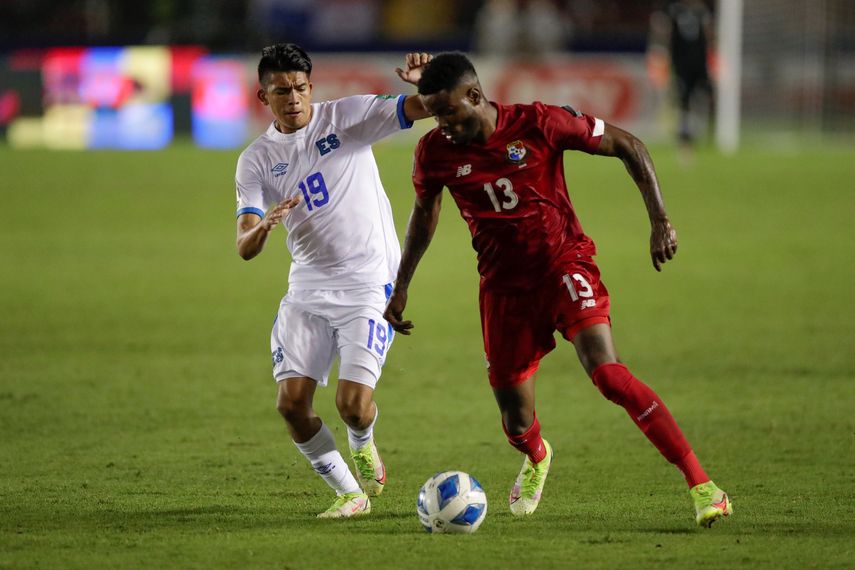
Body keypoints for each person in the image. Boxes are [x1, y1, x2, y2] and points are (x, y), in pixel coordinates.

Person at [383, 52, 733, 527]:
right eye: (433, 113)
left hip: (564, 265)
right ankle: (538, 455)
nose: (440, 124)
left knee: (608, 374)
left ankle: (703, 486)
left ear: (475, 96)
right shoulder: (434, 153)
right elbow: (424, 217)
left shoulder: (539, 123)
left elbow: (628, 144)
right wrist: (402, 285)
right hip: (504, 290)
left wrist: (660, 220)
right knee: (515, 420)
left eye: (447, 112)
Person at [234, 43, 431, 518]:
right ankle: (350, 494)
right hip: (307, 287)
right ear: (264, 97)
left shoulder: (345, 118)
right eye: (281, 91)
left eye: (300, 88)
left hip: (367, 281)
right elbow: (244, 246)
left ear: (311, 87)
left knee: (352, 405)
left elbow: (422, 109)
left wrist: (426, 86)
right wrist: (262, 226)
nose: (293, 98)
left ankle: (363, 440)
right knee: (291, 404)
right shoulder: (256, 160)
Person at [650, 0, 716, 149]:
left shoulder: (701, 10)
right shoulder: (672, 9)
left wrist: (713, 58)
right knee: (683, 101)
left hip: (700, 64)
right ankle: (684, 138)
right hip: (680, 65)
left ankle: (712, 133)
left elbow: (709, 34)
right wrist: (660, 56)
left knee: (710, 95)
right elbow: (662, 33)